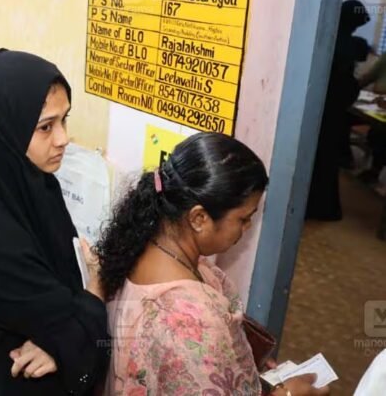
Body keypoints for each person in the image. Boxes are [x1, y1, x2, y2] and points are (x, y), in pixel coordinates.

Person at [96, 132, 329, 396]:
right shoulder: (191, 321)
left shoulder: (140, 245)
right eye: (243, 219)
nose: (247, 227)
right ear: (199, 218)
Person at [0, 49, 110, 395]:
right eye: (46, 126)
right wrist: (95, 291)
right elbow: (74, 327)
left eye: (64, 120)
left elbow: (62, 323)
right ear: (2, 130)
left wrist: (60, 339)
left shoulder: (6, 180)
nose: (62, 139)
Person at [306, 0, 370, 221]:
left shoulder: (326, 39)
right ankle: (322, 208)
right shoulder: (353, 45)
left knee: (312, 157)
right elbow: (349, 82)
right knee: (326, 159)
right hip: (333, 111)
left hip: (317, 108)